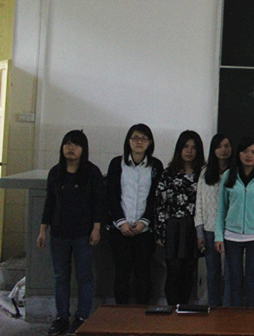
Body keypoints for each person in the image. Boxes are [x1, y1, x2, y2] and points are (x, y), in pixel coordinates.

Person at [37, 130, 103, 336]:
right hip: (59, 233)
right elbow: (49, 203)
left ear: (84, 149)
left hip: (84, 233)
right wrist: (43, 231)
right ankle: (61, 318)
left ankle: (82, 316)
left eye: (75, 144)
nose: (70, 148)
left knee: (84, 276)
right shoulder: (56, 172)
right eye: (67, 144)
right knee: (60, 276)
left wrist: (97, 229)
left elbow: (98, 203)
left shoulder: (92, 172)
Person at [106, 124, 163, 306]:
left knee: (143, 273)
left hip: (144, 231)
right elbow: (111, 195)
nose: (139, 142)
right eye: (135, 138)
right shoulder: (117, 163)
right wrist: (121, 222)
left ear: (150, 142)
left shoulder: (156, 166)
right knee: (121, 273)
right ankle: (122, 313)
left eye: (144, 138)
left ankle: (142, 314)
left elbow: (156, 197)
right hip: (120, 230)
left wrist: (144, 222)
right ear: (128, 141)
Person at [215, 136, 254, 308]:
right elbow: (222, 208)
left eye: (253, 152)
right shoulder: (229, 175)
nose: (249, 155)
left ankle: (251, 317)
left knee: (252, 280)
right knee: (234, 280)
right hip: (232, 236)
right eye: (245, 151)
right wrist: (218, 236)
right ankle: (235, 318)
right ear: (238, 153)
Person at [154, 130, 204, 306]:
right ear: (179, 149)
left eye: (193, 147)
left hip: (193, 228)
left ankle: (184, 308)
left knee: (188, 272)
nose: (189, 151)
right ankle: (172, 309)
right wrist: (160, 232)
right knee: (173, 271)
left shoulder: (202, 174)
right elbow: (160, 203)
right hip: (173, 228)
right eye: (185, 146)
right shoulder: (168, 173)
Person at [195, 134, 232, 306]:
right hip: (210, 229)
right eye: (219, 146)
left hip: (231, 230)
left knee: (231, 273)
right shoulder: (205, 172)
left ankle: (228, 309)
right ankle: (214, 307)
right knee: (212, 273)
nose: (223, 150)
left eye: (227, 146)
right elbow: (199, 203)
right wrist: (199, 232)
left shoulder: (236, 172)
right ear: (213, 150)